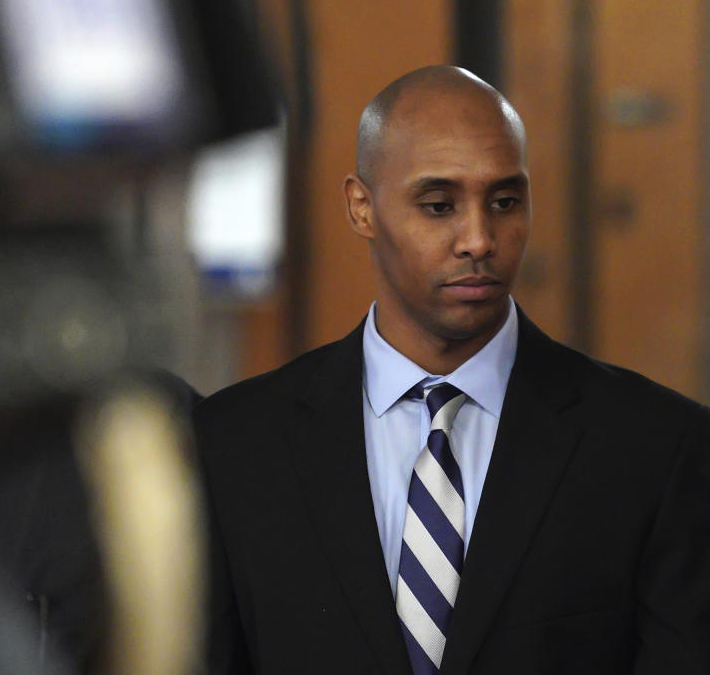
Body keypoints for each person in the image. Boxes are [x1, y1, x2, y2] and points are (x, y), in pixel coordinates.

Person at [194, 65, 710, 674]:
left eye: (506, 202)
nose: (479, 239)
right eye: (439, 205)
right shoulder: (234, 445)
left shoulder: (658, 448)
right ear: (362, 209)